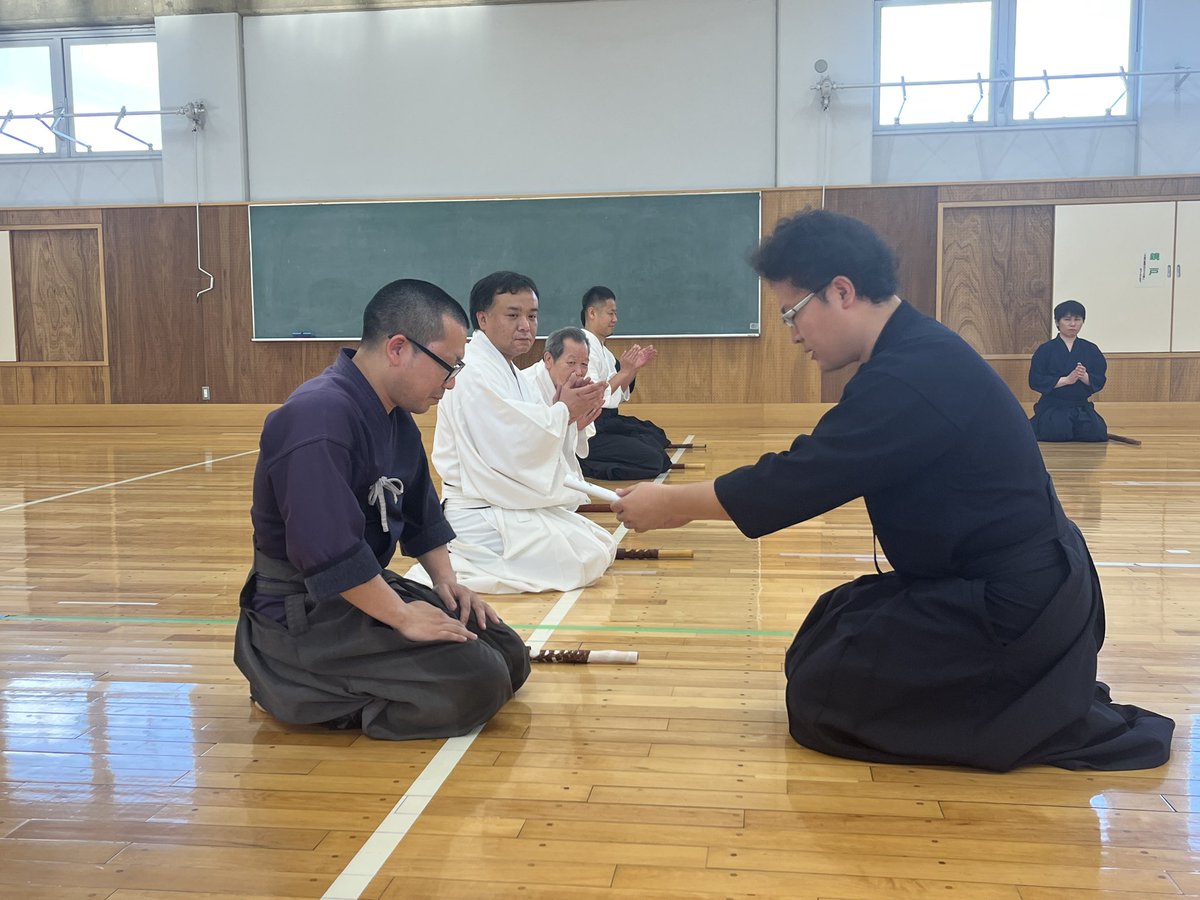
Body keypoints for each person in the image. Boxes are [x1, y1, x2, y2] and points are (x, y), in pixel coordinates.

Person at [612, 210, 1173, 772]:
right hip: (1012, 584)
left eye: (792, 312)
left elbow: (805, 475)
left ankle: (1024, 702)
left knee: (822, 692)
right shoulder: (910, 353)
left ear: (842, 291)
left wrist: (671, 505)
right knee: (832, 622)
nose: (793, 332)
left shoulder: (911, 372)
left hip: (1018, 606)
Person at [233, 279, 530, 741]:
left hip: (357, 585)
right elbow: (326, 553)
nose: (450, 384)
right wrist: (403, 615)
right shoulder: (317, 417)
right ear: (398, 348)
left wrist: (449, 588)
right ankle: (292, 683)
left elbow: (422, 516)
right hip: (304, 611)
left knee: (506, 652)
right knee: (478, 682)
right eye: (448, 367)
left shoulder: (395, 417)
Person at [414, 271, 616, 594]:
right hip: (478, 511)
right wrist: (562, 413)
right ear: (482, 317)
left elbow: (530, 430)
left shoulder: (512, 371)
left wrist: (568, 422)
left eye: (532, 316)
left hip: (504, 501)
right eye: (513, 315)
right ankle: (462, 558)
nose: (526, 325)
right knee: (583, 558)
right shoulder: (473, 372)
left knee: (599, 542)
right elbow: (508, 444)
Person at [578, 286, 673, 480]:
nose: (615, 319)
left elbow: (617, 392)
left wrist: (632, 369)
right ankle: (585, 463)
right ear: (592, 313)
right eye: (610, 313)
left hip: (607, 418)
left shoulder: (604, 350)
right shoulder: (582, 347)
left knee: (657, 437)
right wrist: (625, 371)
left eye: (616, 314)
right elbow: (596, 395)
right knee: (655, 460)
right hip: (591, 426)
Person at [521, 326, 596, 485]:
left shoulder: (574, 385)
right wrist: (566, 419)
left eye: (584, 364)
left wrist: (577, 425)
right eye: (571, 362)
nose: (579, 371)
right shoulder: (527, 386)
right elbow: (527, 444)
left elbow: (575, 449)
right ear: (549, 360)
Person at [1028, 300, 1109, 442]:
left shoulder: (1091, 349)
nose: (1073, 324)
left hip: (1081, 406)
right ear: (1057, 322)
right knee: (1056, 432)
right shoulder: (1045, 350)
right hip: (1053, 406)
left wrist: (1084, 376)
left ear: (1083, 321)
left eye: (1077, 319)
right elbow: (1036, 380)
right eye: (1067, 319)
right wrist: (1066, 380)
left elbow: (1099, 378)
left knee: (1096, 434)